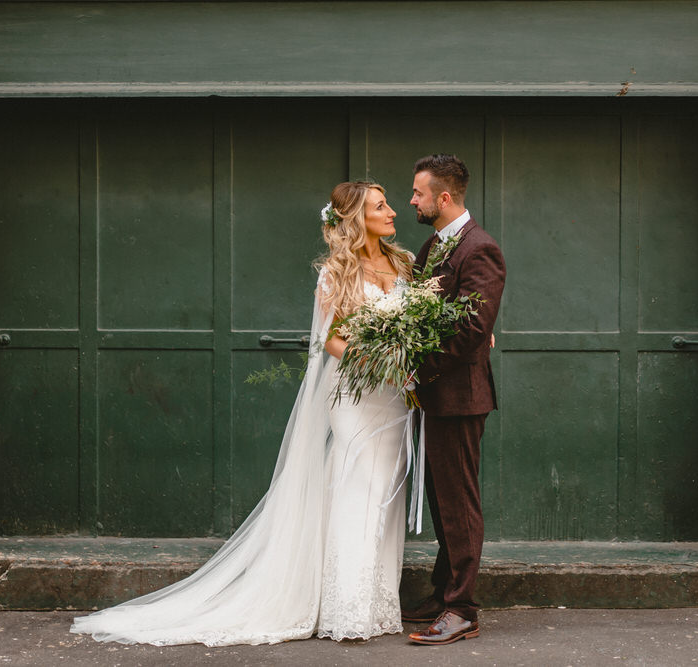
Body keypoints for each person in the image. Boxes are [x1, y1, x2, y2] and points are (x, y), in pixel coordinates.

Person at [70, 181, 416, 646]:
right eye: (381, 205)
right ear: (357, 218)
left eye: (390, 202)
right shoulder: (337, 271)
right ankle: (347, 608)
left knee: (385, 495)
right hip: (357, 393)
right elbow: (331, 339)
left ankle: (376, 605)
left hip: (395, 395)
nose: (392, 210)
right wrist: (372, 361)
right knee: (357, 487)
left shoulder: (403, 263)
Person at [402, 154, 506, 646]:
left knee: (458, 503)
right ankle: (445, 590)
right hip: (434, 397)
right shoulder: (433, 247)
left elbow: (471, 330)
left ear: (444, 198)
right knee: (441, 500)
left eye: (419, 193)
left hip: (460, 398)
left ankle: (462, 609)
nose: (412, 201)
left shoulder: (479, 249)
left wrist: (416, 368)